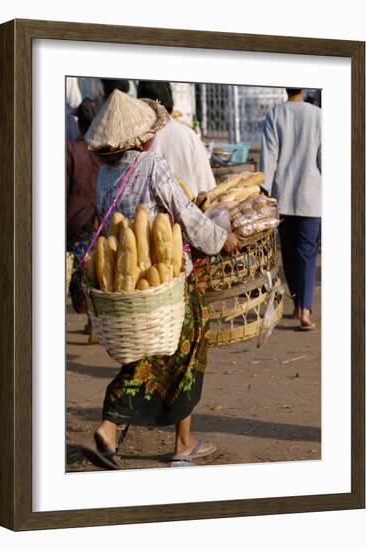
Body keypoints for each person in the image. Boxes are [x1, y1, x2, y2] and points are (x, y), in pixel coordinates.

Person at [81, 90, 239, 469]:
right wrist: (221, 240)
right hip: (166, 280)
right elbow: (184, 213)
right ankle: (158, 437)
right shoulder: (151, 165)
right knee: (182, 351)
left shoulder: (105, 174)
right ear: (138, 138)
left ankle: (124, 431)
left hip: (132, 283)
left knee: (152, 353)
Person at [260, 88, 321, 330]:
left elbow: (269, 156)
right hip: (311, 196)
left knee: (289, 252)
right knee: (306, 253)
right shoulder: (318, 115)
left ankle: (298, 304)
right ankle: (304, 310)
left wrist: (264, 189)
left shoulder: (275, 114)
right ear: (305, 87)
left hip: (283, 196)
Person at [137, 81, 216, 196]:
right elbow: (209, 189)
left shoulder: (136, 140)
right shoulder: (189, 135)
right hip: (193, 209)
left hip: (148, 213)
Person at [66, 99, 101, 316]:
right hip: (98, 224)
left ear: (79, 124)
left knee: (80, 278)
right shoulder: (103, 151)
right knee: (94, 276)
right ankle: (92, 324)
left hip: (74, 226)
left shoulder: (71, 150)